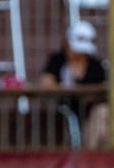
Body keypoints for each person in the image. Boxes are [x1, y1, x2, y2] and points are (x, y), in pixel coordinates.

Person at [39, 20, 108, 148]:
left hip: (90, 109)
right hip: (63, 107)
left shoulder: (96, 65)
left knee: (103, 114)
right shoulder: (57, 60)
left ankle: (89, 151)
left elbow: (104, 85)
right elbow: (46, 82)